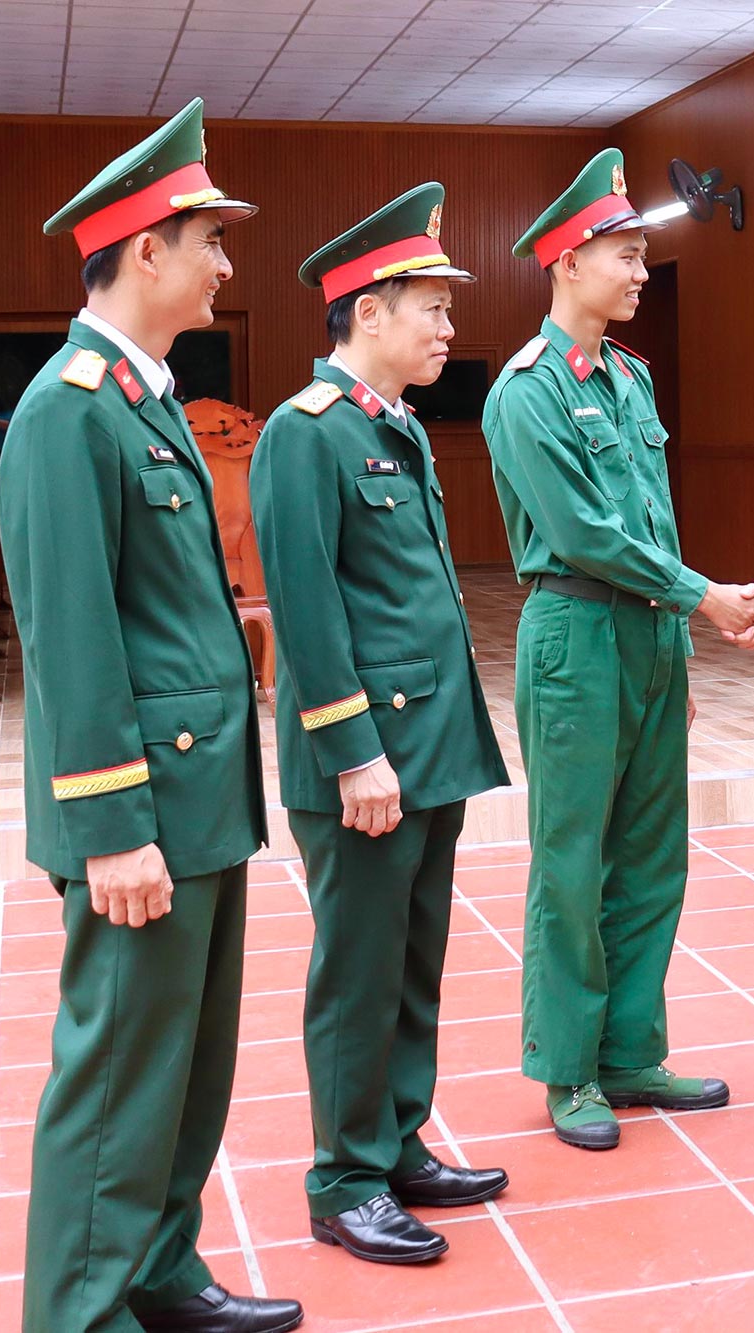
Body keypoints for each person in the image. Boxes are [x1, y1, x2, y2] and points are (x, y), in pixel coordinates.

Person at [2, 98, 302, 1333]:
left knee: (185, 1066)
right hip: (140, 813)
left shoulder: (143, 396)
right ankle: (80, 1308)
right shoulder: (69, 408)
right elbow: (72, 643)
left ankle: (159, 1274)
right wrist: (112, 825)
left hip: (198, 805)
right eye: (210, 240)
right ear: (145, 253)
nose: (226, 264)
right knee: (119, 1069)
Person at [485, 148, 754, 1149]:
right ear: (566, 262)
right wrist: (706, 599)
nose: (640, 271)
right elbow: (584, 534)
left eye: (642, 255)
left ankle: (628, 1050)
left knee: (652, 856)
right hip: (575, 634)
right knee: (571, 861)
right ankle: (568, 1070)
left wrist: (676, 644)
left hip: (645, 639)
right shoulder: (527, 392)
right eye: (623, 254)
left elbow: (653, 518)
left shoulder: (632, 380)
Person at [252, 182, 512, 1265]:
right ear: (367, 310)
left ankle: (398, 1141)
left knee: (412, 958)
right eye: (432, 309)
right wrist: (354, 750)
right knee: (357, 969)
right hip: (367, 759)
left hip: (427, 751)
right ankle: (345, 1177)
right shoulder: (305, 435)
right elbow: (307, 611)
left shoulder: (388, 425)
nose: (449, 329)